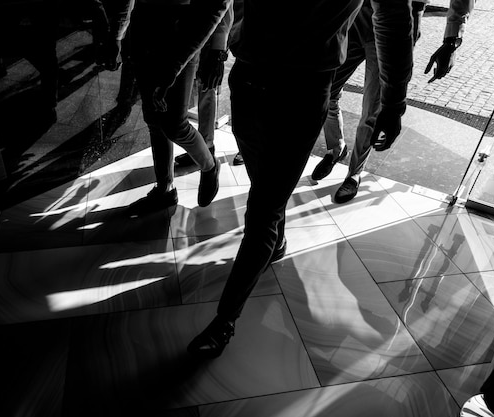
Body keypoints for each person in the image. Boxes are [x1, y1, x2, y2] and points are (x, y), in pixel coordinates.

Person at [187, 0, 414, 359]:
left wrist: (393, 101)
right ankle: (274, 238)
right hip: (249, 77)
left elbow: (393, 18)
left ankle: (224, 321)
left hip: (302, 88)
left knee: (261, 212)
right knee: (264, 192)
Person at [311, 0, 475, 204]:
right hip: (357, 10)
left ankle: (354, 173)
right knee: (325, 91)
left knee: (373, 108)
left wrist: (452, 39)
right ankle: (336, 148)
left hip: (402, 14)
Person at [124, 0, 232, 216]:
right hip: (143, 32)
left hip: (181, 39)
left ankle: (210, 165)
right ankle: (165, 189)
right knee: (153, 119)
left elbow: (218, 5)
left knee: (175, 124)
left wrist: (217, 51)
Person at [174, 3, 234, 168]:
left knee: (207, 86)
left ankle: (206, 147)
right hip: (194, 30)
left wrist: (219, 50)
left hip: (210, 34)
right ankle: (204, 146)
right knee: (204, 88)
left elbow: (225, 8)